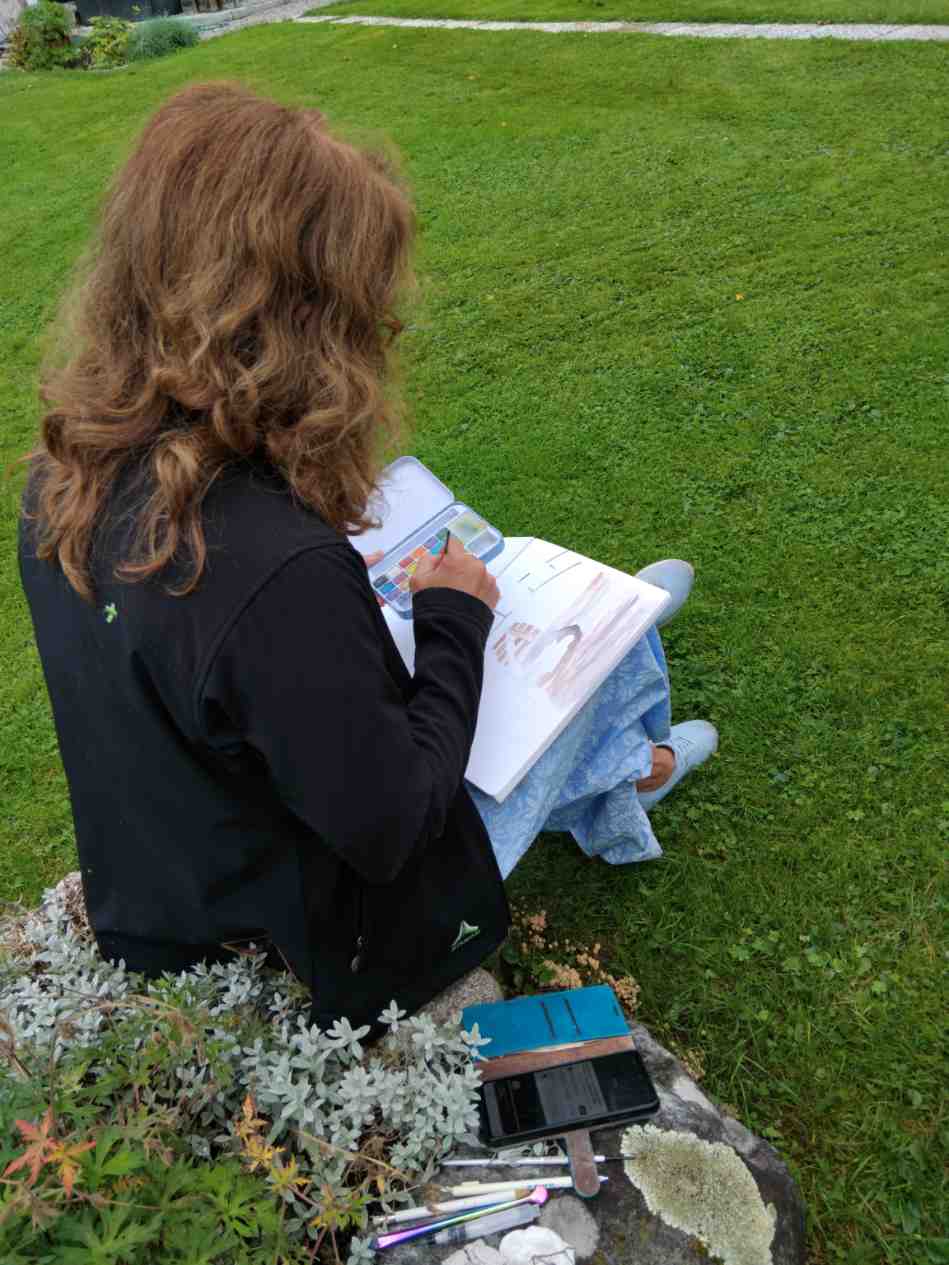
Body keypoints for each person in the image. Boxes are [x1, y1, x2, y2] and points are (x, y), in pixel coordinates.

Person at [17, 84, 716, 1033]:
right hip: (313, 942)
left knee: (513, 610)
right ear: (304, 322)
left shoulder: (62, 476)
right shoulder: (274, 573)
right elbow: (395, 828)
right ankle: (635, 756)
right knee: (570, 648)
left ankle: (626, 736)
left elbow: (223, 662)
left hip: (176, 885)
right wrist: (456, 622)